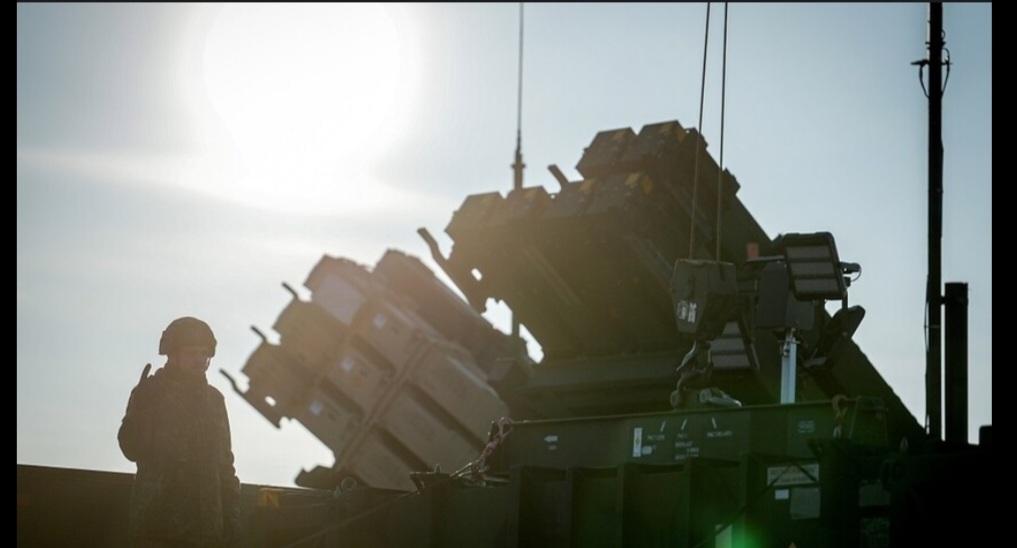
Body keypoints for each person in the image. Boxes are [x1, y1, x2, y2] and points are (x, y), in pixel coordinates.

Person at [118, 316, 242, 547]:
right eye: (191, 353)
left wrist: (231, 520)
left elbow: (225, 465)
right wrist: (140, 411)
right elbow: (132, 450)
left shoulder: (214, 401)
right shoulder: (151, 393)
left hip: (207, 532)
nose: (199, 360)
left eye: (203, 353)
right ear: (173, 356)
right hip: (158, 529)